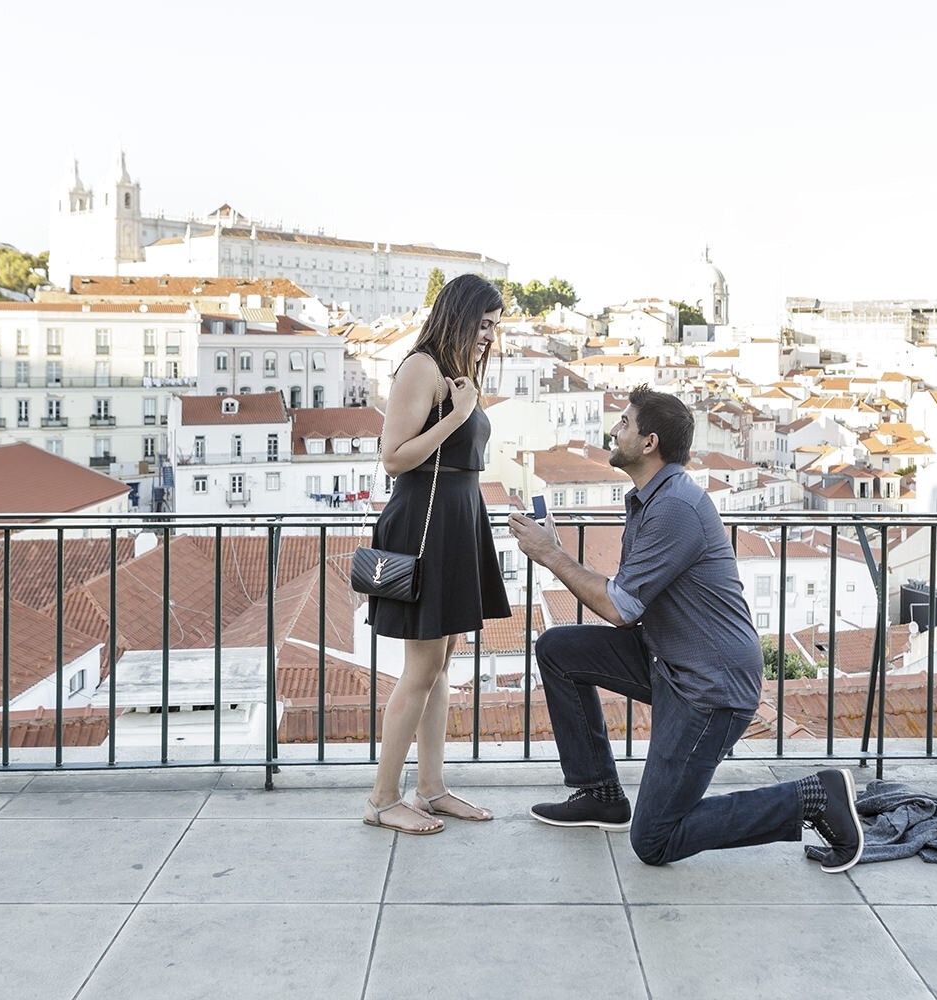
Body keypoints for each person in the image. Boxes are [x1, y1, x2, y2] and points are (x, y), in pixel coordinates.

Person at [508, 386, 863, 871]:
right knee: (558, 650)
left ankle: (815, 797)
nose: (614, 430)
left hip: (708, 688)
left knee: (654, 840)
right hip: (668, 660)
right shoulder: (651, 499)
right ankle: (600, 793)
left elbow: (619, 606)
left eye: (625, 424)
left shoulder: (675, 506)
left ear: (649, 441)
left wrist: (550, 554)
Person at [361, 274, 512, 835]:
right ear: (459, 314)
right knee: (422, 667)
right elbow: (394, 459)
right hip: (424, 525)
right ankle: (381, 799)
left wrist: (462, 403)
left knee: (442, 664)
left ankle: (430, 788)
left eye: (495, 327)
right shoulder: (420, 367)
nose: (489, 336)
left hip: (456, 522)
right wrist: (454, 415)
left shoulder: (455, 371)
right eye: (484, 324)